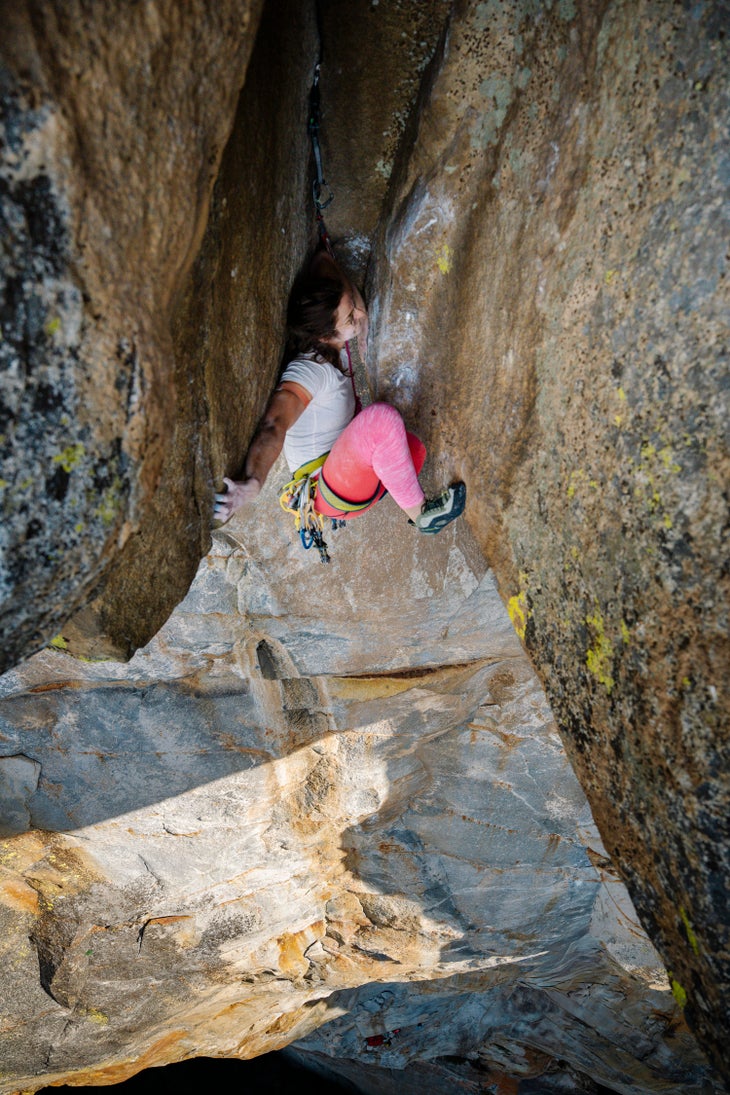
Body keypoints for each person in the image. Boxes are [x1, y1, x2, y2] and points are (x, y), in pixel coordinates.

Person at [213, 246, 466, 535]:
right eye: (350, 317)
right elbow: (274, 424)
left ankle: (406, 496)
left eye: (353, 307)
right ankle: (422, 517)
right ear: (324, 335)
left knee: (414, 444)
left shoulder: (333, 340)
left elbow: (324, 258)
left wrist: (357, 309)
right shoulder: (308, 370)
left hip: (353, 480)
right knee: (381, 420)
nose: (358, 313)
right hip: (332, 489)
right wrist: (254, 483)